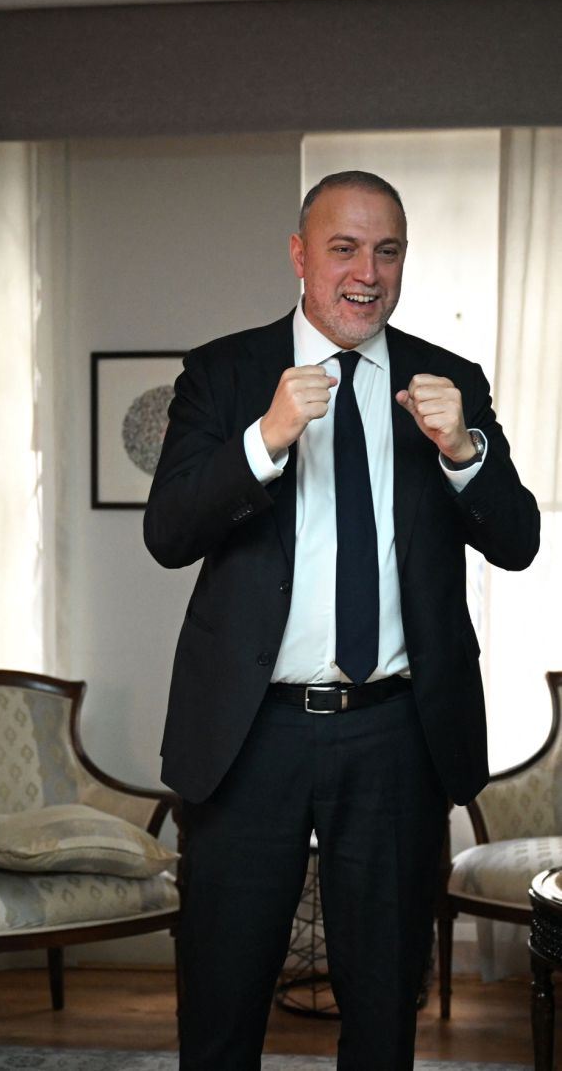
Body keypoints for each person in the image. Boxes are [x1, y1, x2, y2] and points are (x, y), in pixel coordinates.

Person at [143, 170, 540, 1071]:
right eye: (344, 248)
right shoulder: (223, 373)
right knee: (221, 1007)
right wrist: (265, 439)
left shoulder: (451, 380)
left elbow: (517, 542)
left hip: (396, 735)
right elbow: (167, 534)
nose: (367, 273)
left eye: (387, 251)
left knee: (384, 1013)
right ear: (299, 255)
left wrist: (464, 452)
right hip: (249, 736)